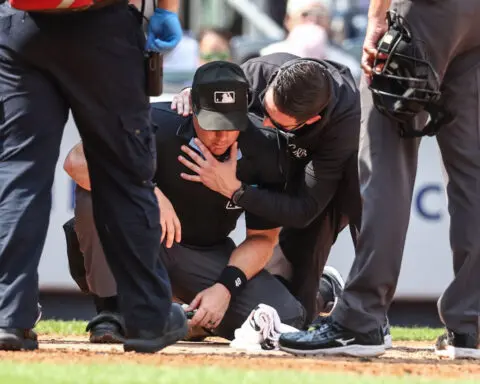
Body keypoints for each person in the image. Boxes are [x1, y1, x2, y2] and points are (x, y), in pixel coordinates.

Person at [62, 61, 344, 343]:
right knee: (96, 187)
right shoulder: (156, 122)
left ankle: (188, 319)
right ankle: (111, 312)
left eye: (231, 124)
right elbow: (77, 161)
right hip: (140, 241)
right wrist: (146, 192)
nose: (221, 136)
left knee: (284, 317)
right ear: (191, 107)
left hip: (203, 254)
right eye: (211, 124)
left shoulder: (268, 149)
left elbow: (262, 239)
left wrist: (224, 288)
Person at [278, 0, 480, 359]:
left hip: (424, 11)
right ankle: (471, 324)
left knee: (386, 162)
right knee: (473, 172)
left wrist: (377, 15)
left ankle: (360, 319)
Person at [0, 0, 186, 353]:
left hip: (21, 24)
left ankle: (7, 315)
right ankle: (148, 319)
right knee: (123, 175)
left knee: (18, 175)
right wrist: (167, 10)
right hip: (101, 25)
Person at [168, 53, 385, 339]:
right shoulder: (256, 73)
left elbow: (304, 209)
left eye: (279, 124)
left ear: (313, 119)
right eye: (263, 112)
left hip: (314, 190)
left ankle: (334, 295)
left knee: (291, 317)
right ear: (269, 85)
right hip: (264, 170)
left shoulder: (343, 123)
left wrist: (236, 190)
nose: (266, 126)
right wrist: (192, 97)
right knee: (267, 292)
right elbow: (214, 91)